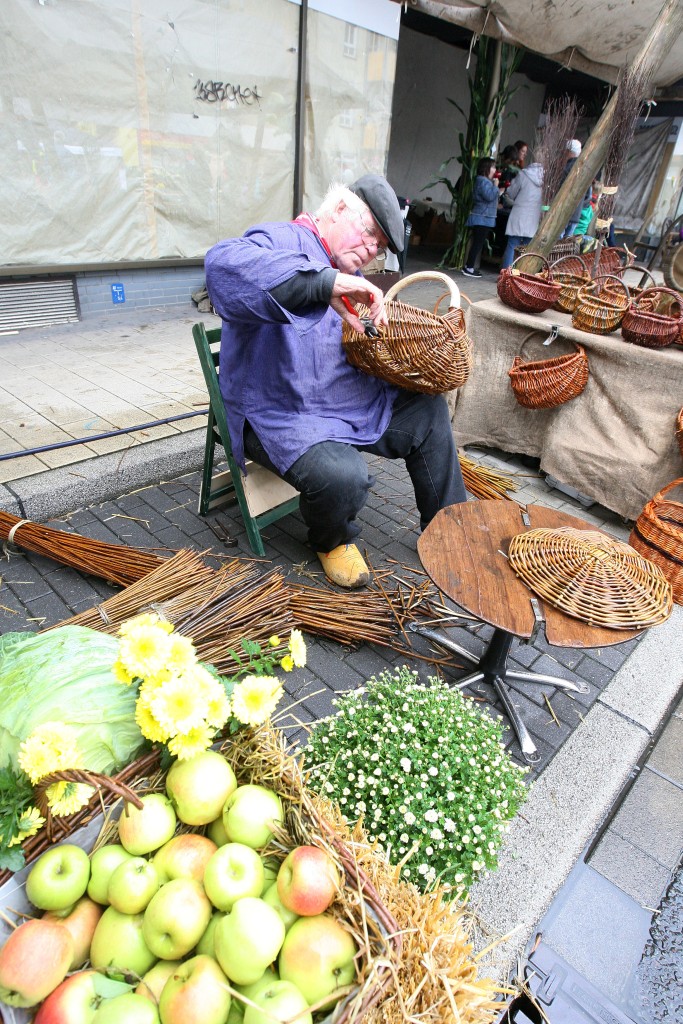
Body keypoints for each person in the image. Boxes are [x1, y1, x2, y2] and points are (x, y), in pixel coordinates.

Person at [204, 175, 467, 589]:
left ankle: (449, 528)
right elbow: (219, 266)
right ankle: (331, 540)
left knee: (428, 410)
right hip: (278, 414)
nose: (371, 249)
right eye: (369, 233)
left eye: (379, 246)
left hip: (338, 402)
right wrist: (323, 282)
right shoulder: (282, 240)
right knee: (344, 476)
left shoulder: (351, 272)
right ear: (340, 209)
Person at [462, 157, 503, 278]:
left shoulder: (483, 181)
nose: (495, 170)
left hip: (483, 217)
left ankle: (469, 267)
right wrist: (496, 186)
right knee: (477, 243)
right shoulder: (483, 181)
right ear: (486, 168)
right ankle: (469, 267)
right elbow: (489, 196)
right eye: (493, 167)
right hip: (482, 217)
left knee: (478, 243)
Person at [500, 155, 544, 268]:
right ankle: (520, 273)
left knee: (512, 245)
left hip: (519, 214)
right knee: (526, 249)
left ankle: (506, 272)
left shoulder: (523, 174)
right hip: (535, 216)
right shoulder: (546, 178)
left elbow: (511, 193)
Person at [561, 139, 592, 238]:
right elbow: (588, 197)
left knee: (556, 243)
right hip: (576, 216)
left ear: (568, 151)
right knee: (568, 243)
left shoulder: (565, 169)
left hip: (561, 215)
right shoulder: (585, 171)